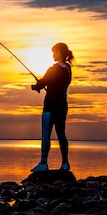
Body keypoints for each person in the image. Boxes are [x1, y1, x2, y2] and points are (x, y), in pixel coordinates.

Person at [30, 42, 74, 172]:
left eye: (54, 52)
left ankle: (43, 163)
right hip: (62, 105)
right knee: (61, 134)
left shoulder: (53, 69)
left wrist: (35, 86)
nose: (53, 55)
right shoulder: (68, 69)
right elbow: (52, 83)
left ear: (59, 53)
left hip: (50, 106)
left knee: (46, 134)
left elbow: (42, 83)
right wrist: (43, 84)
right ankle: (65, 163)